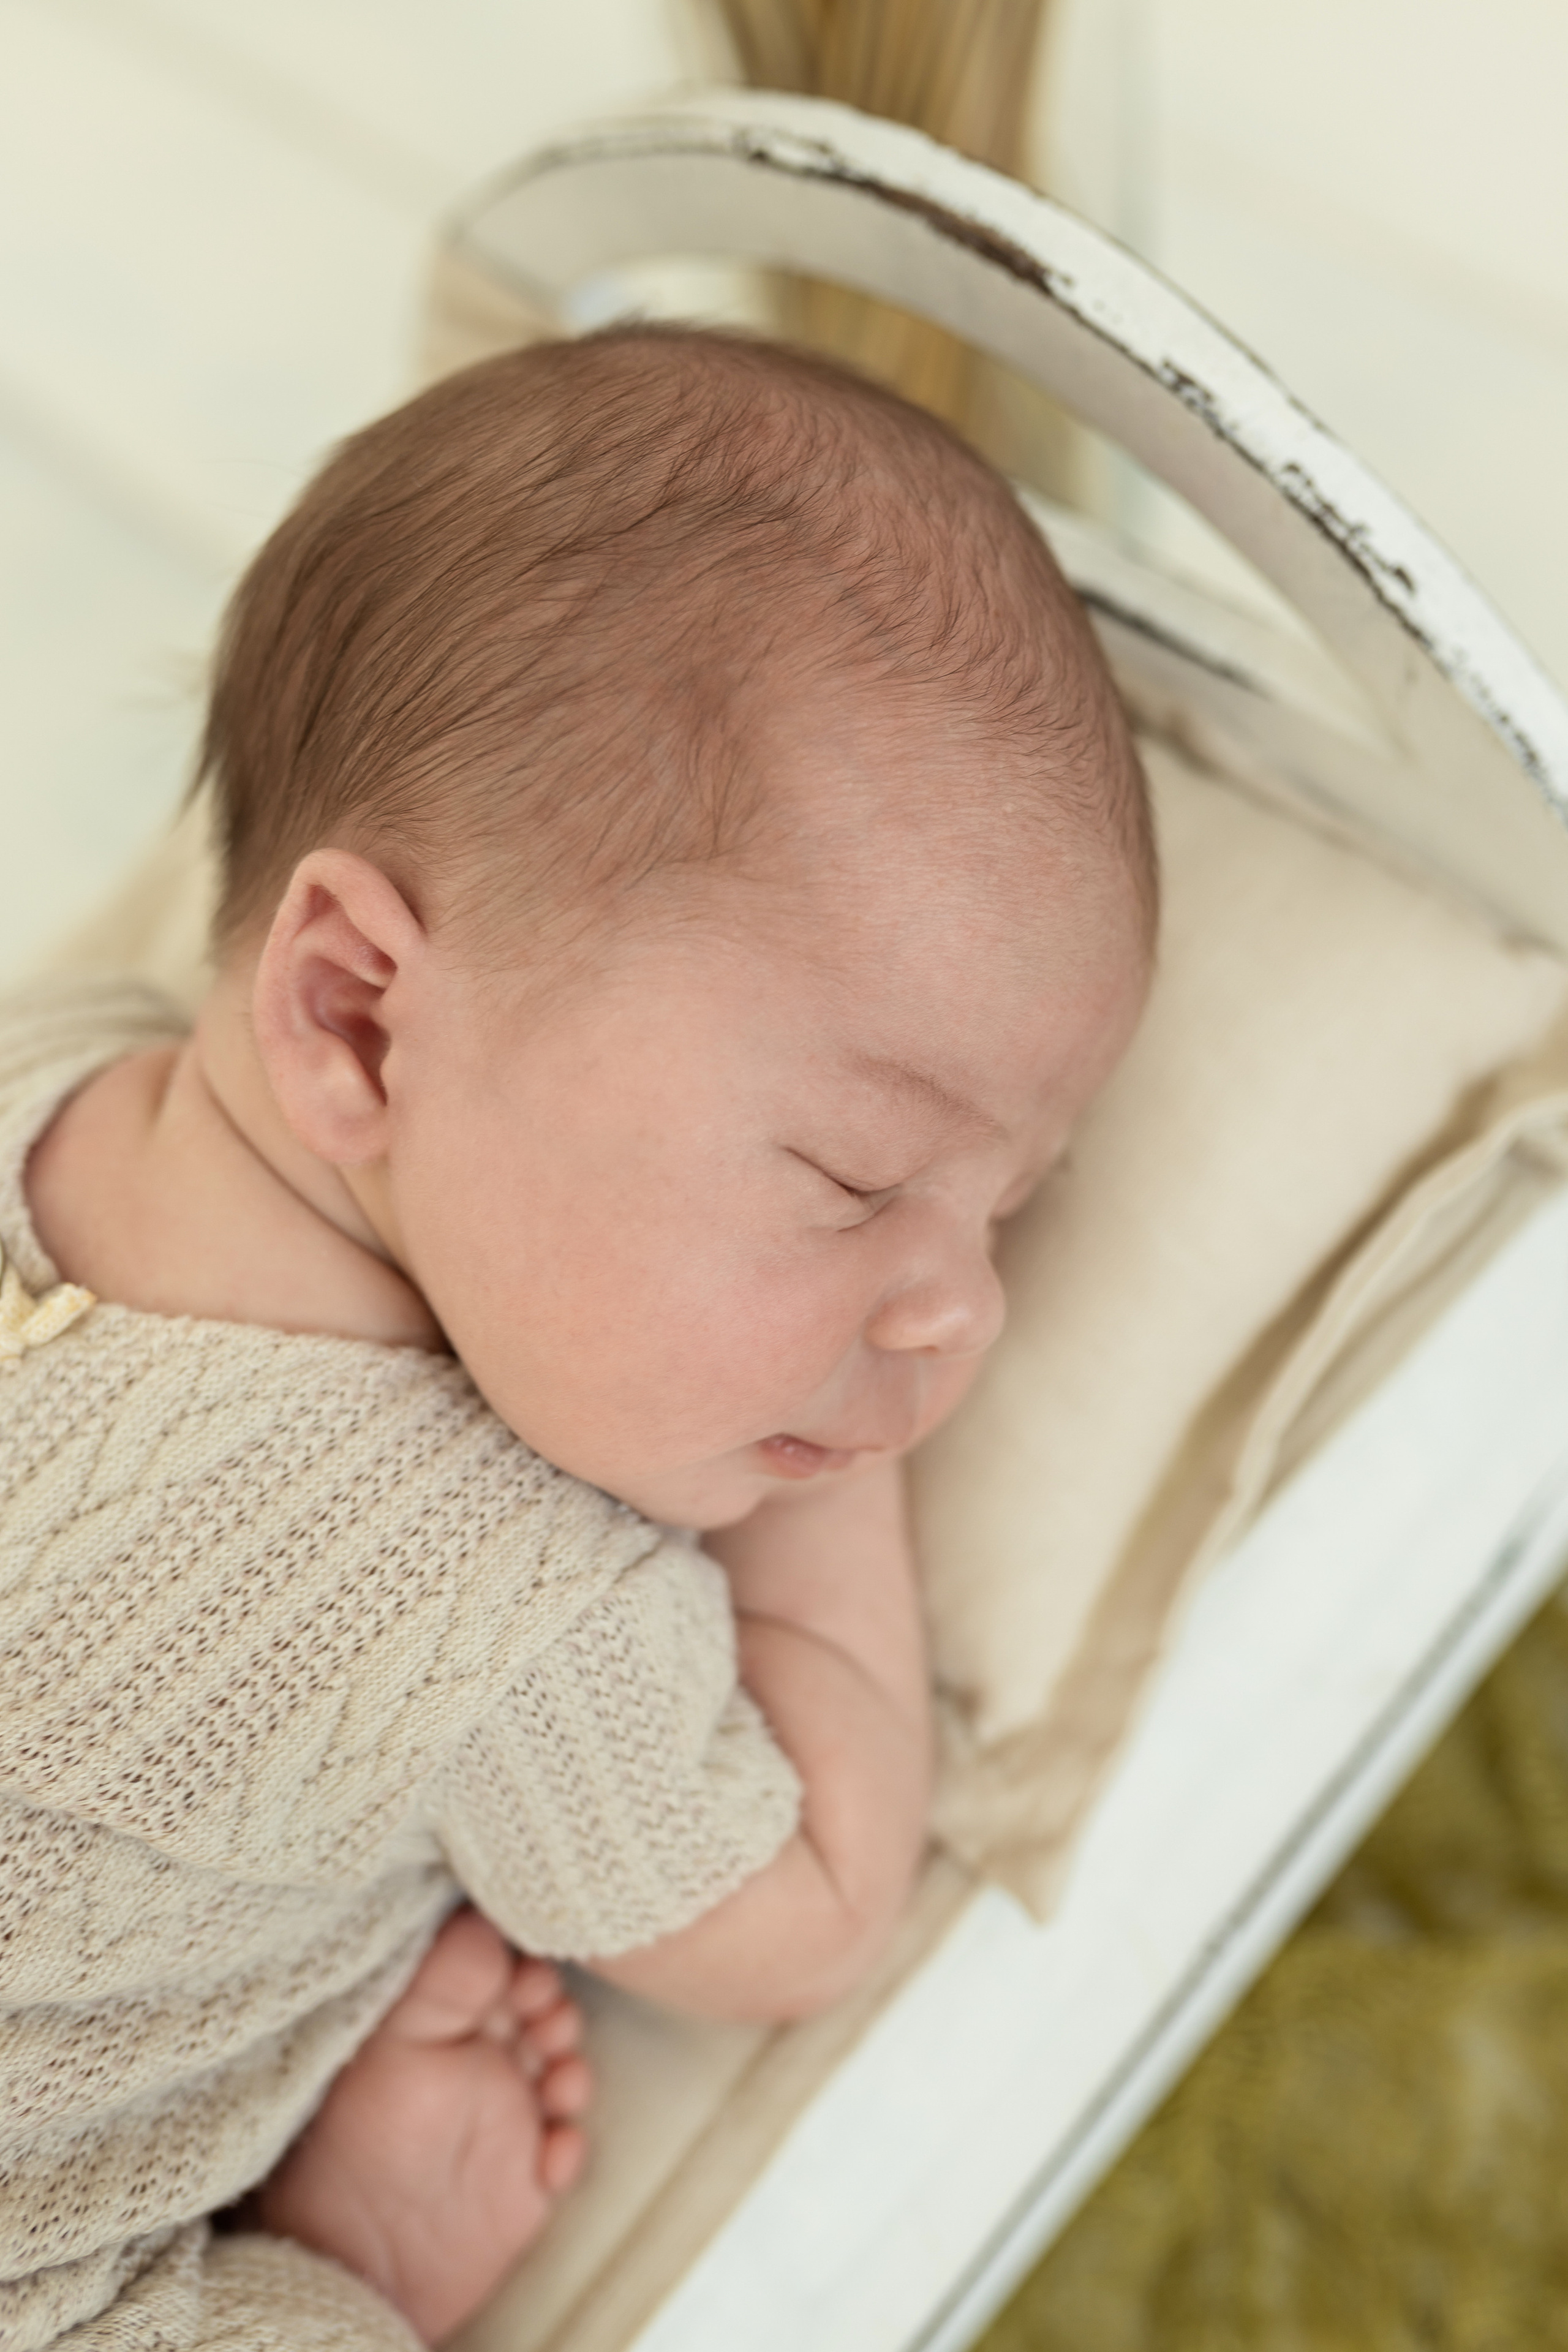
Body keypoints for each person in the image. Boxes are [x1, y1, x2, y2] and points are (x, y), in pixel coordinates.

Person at [0, 326, 1153, 2349]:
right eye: (852, 1174)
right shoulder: (510, 1603)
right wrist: (825, 1454)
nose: (961, 1301)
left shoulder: (46, 1067)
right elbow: (804, 1903)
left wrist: (828, 1285)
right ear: (355, 1011)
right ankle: (359, 2263)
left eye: (1008, 1210)